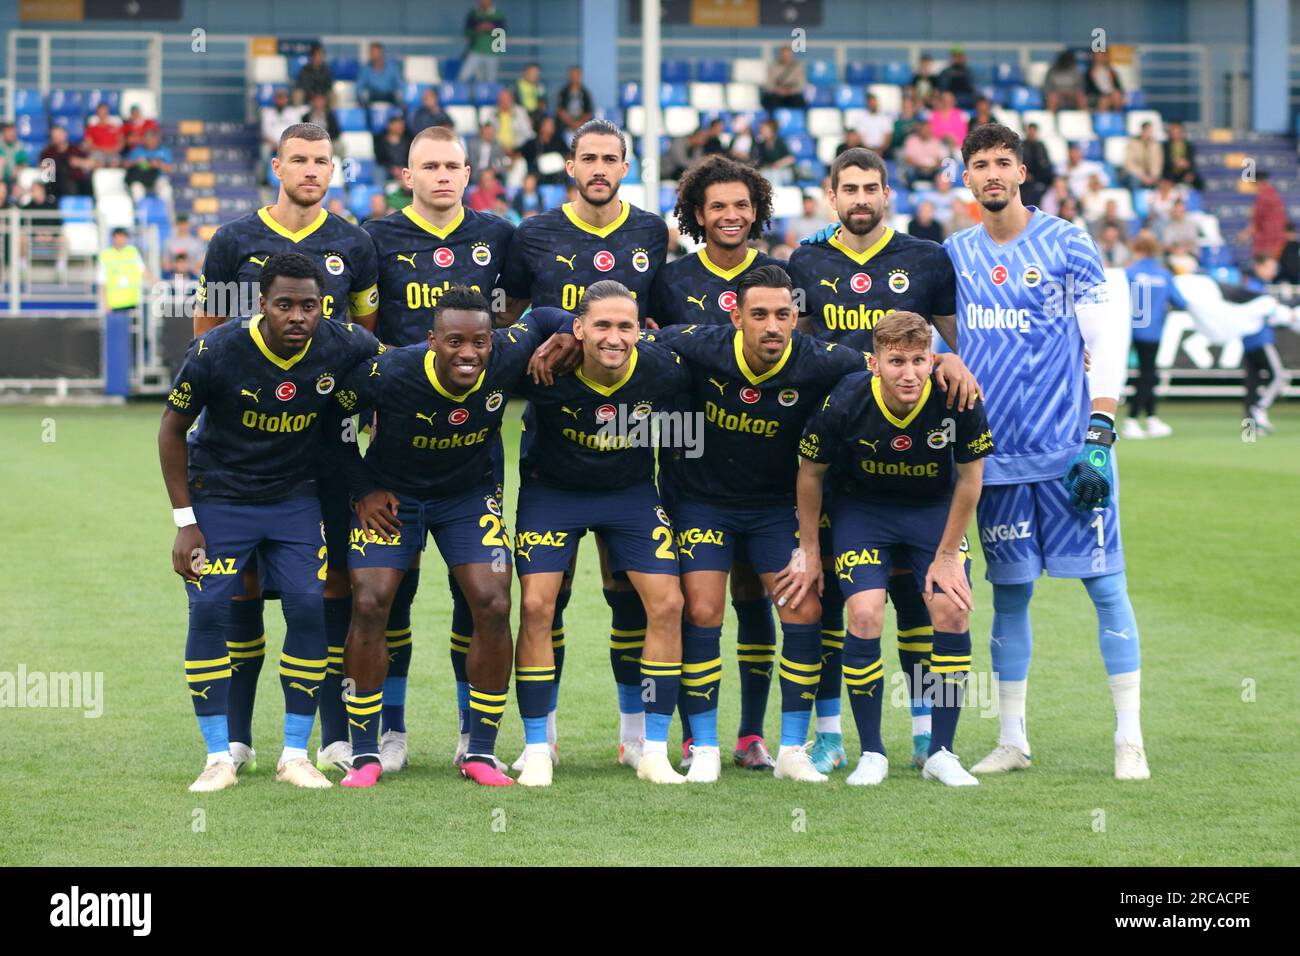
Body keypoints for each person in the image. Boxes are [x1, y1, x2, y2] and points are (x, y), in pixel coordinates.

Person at [946, 122, 1150, 781]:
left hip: (1070, 452)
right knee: (1009, 596)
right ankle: (1012, 738)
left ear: (1023, 172)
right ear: (966, 177)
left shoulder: (1065, 242)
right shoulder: (955, 255)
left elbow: (1106, 332)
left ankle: (1129, 739)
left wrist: (1100, 432)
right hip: (996, 461)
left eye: (1004, 161)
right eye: (981, 164)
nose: (993, 173)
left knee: (1105, 584)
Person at [644, 266, 880, 782]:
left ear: (795, 317)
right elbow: (639, 341)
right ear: (735, 317)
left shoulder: (820, 360)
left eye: (782, 315)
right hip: (702, 501)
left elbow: (885, 366)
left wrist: (948, 364)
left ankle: (792, 748)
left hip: (777, 508)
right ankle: (703, 747)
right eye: (759, 315)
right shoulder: (699, 346)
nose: (772, 326)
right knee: (703, 607)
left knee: (804, 608)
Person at [158, 251, 383, 792]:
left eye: (309, 306)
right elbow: (170, 430)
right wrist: (185, 522)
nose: (298, 317)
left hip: (295, 499)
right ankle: (218, 757)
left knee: (308, 608)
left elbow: (398, 363)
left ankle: (294, 755)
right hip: (222, 498)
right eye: (285, 305)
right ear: (263, 304)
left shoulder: (343, 341)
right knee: (209, 607)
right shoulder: (217, 350)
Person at [329, 290, 573, 787]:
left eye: (479, 342)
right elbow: (332, 420)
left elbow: (545, 312)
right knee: (372, 603)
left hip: (467, 497)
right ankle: (364, 752)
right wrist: (362, 489)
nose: (468, 352)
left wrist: (571, 329)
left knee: (493, 602)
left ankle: (479, 751)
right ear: (431, 341)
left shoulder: (506, 353)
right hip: (392, 498)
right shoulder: (391, 372)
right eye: (455, 341)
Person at [194, 123, 380, 775]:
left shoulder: (354, 242)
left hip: (323, 445)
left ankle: (329, 735)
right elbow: (207, 334)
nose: (311, 169)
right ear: (277, 166)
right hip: (243, 449)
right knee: (239, 588)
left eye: (322, 160)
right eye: (298, 159)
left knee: (327, 586)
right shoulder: (234, 240)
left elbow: (362, 342)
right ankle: (238, 739)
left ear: (335, 169)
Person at [789, 148, 980, 770]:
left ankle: (929, 736)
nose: (861, 198)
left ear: (888, 192)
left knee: (922, 607)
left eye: (872, 187)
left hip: (917, 462)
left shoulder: (927, 258)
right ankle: (831, 735)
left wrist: (947, 357)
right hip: (835, 455)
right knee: (834, 606)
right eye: (850, 188)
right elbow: (798, 347)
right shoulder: (807, 261)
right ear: (832, 195)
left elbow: (954, 342)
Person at [498, 119, 670, 767]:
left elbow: (657, 323)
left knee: (629, 594)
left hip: (629, 443)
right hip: (554, 442)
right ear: (570, 165)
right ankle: (540, 742)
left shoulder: (651, 232)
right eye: (588, 158)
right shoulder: (533, 235)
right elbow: (512, 324)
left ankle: (637, 737)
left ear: (625, 167)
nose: (599, 168)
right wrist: (560, 334)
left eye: (611, 159)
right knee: (547, 598)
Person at [783, 310, 993, 786]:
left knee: (953, 612)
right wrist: (810, 548)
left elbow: (970, 478)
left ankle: (941, 751)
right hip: (864, 514)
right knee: (864, 615)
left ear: (932, 359)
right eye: (897, 361)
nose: (909, 373)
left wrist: (946, 556)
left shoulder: (956, 398)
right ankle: (872, 753)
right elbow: (810, 473)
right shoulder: (847, 398)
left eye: (919, 361)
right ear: (875, 363)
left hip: (932, 515)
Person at [510, 282, 691, 786]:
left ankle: (650, 747)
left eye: (625, 326)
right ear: (578, 329)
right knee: (536, 606)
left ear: (641, 331)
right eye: (602, 326)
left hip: (629, 494)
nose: (614, 337)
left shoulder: (663, 367)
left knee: (667, 604)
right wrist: (551, 328)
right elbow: (533, 316)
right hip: (553, 494)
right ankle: (537, 747)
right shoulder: (545, 364)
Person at [1123, 231, 1184, 440]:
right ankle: (1136, 419)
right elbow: (1181, 302)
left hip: (1129, 329)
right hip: (1153, 331)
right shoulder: (1164, 275)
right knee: (1148, 374)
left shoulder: (1128, 273)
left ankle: (1147, 418)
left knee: (1141, 375)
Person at [1241, 255, 1288, 432]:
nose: (1273, 271)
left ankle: (1249, 429)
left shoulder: (1251, 286)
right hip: (1260, 340)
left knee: (1252, 383)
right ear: (1259, 266)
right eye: (1270, 267)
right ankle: (1259, 408)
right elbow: (1272, 311)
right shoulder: (1255, 288)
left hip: (1248, 341)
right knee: (1278, 376)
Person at [1239, 170, 1287, 259]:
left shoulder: (1263, 196)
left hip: (1266, 239)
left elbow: (1257, 220)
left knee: (1265, 266)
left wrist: (1245, 234)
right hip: (1278, 238)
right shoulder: (1275, 194)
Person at [124, 126, 176, 206]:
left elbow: (170, 169)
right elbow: (126, 165)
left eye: (153, 139)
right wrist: (136, 162)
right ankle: (141, 215)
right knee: (136, 188)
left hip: (157, 178)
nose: (150, 142)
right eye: (148, 140)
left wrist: (158, 165)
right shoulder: (138, 150)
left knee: (166, 190)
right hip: (140, 179)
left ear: (157, 140)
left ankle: (165, 216)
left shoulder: (164, 150)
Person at [459, 0, 505, 87]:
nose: (484, 2)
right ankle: (461, 98)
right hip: (475, 51)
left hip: (492, 52)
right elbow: (467, 33)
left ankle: (488, 100)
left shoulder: (498, 15)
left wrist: (492, 28)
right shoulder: (473, 14)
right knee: (463, 77)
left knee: (491, 81)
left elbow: (503, 33)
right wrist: (478, 29)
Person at [38, 125, 93, 198]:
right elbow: (42, 170)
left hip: (77, 185)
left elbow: (92, 163)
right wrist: (48, 168)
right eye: (54, 136)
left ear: (65, 135)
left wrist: (79, 162)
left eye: (59, 135)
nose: (57, 138)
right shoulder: (48, 152)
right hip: (55, 185)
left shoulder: (76, 150)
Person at [521, 114, 567, 185]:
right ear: (541, 126)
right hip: (538, 178)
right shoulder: (531, 144)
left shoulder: (559, 141)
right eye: (549, 125)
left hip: (558, 177)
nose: (552, 127)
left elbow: (568, 155)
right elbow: (521, 154)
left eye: (552, 124)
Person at [261, 88, 304, 160]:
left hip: (289, 144)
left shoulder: (293, 112)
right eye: (278, 98)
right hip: (273, 146)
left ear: (286, 99)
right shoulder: (268, 113)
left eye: (283, 98)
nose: (280, 101)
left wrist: (287, 144)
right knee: (264, 149)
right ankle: (267, 170)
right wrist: (275, 144)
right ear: (274, 99)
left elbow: (298, 131)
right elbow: (265, 134)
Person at [357, 42, 403, 107]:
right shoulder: (365, 69)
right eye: (372, 53)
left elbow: (400, 86)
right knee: (363, 99)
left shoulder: (393, 68)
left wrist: (399, 95)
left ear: (382, 53)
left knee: (400, 101)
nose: (374, 55)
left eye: (377, 52)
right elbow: (359, 87)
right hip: (371, 97)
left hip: (390, 97)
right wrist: (360, 96)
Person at [762, 47, 808, 113]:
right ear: (780, 55)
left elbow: (802, 84)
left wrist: (790, 90)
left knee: (800, 101)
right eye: (784, 55)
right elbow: (768, 84)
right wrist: (778, 90)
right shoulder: (773, 67)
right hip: (777, 94)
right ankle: (771, 121)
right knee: (769, 100)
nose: (786, 57)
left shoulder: (798, 68)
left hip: (792, 95)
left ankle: (798, 120)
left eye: (788, 55)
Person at [1020, 121, 1055, 208]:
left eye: (1033, 131)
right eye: (1030, 130)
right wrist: (1025, 175)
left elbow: (1046, 164)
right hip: (1024, 180)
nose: (1032, 133)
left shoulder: (1041, 146)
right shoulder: (1021, 146)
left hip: (1040, 179)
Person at [901, 120, 946, 184]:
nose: (926, 131)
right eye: (924, 129)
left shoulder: (936, 141)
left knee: (943, 172)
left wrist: (932, 167)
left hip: (932, 169)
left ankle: (939, 193)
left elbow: (941, 159)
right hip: (916, 168)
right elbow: (908, 159)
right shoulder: (911, 140)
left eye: (928, 130)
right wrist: (921, 167)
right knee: (909, 172)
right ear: (920, 130)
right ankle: (911, 192)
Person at [751, 119, 795, 185]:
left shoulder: (779, 142)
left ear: (772, 130)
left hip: (783, 171)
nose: (762, 131)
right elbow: (761, 161)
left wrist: (778, 164)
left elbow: (791, 158)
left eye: (764, 129)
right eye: (761, 129)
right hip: (769, 170)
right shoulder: (761, 144)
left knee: (775, 174)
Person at [490, 87, 533, 156]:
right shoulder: (492, 114)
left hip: (518, 150)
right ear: (498, 101)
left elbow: (527, 133)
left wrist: (514, 148)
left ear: (512, 99)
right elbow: (489, 135)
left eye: (507, 99)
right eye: (502, 100)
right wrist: (502, 148)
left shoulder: (520, 112)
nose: (504, 102)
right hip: (497, 151)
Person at [1161, 122, 1202, 191]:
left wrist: (1189, 170)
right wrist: (1175, 163)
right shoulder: (1164, 146)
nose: (1175, 134)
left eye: (1178, 132)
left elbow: (1192, 162)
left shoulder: (1189, 146)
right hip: (1169, 173)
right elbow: (1163, 162)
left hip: (1184, 173)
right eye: (1173, 132)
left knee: (1198, 182)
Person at [1123, 122, 1163, 192]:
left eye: (1150, 131)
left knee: (1162, 182)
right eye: (1147, 131)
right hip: (1136, 173)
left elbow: (1158, 162)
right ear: (1142, 130)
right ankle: (1136, 199)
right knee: (1134, 180)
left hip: (1151, 175)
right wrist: (1142, 176)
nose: (1149, 133)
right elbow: (1129, 163)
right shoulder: (1133, 143)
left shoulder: (1155, 145)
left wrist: (1153, 176)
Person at [374, 113, 413, 186]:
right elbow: (380, 159)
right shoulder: (380, 141)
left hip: (405, 167)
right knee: (379, 171)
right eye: (397, 124)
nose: (400, 127)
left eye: (401, 124)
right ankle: (379, 194)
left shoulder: (409, 139)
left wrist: (403, 168)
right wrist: (392, 169)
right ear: (390, 125)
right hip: (388, 169)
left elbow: (411, 157)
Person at [84, 101, 125, 167]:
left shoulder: (115, 127)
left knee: (115, 163)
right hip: (97, 152)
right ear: (97, 112)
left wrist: (113, 149)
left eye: (105, 110)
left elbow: (121, 143)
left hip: (112, 152)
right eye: (101, 110)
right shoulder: (92, 128)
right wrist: (103, 149)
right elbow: (89, 144)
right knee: (99, 163)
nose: (103, 113)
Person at [555, 66, 593, 133]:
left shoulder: (586, 93)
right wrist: (572, 123)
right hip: (566, 125)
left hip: (581, 124)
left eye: (577, 75)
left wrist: (580, 123)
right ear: (569, 76)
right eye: (573, 75)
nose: (574, 77)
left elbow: (589, 112)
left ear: (580, 76)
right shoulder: (563, 92)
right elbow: (560, 111)